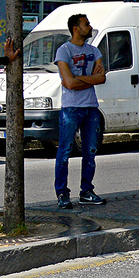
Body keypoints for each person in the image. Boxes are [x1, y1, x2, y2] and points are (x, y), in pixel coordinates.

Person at [53, 14, 107, 209]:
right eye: (86, 24)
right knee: (65, 151)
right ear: (76, 28)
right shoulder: (64, 50)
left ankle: (86, 191)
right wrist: (89, 78)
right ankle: (62, 193)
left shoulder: (94, 50)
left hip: (91, 107)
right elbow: (69, 83)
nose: (90, 27)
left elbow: (102, 78)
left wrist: (77, 79)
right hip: (71, 107)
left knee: (90, 152)